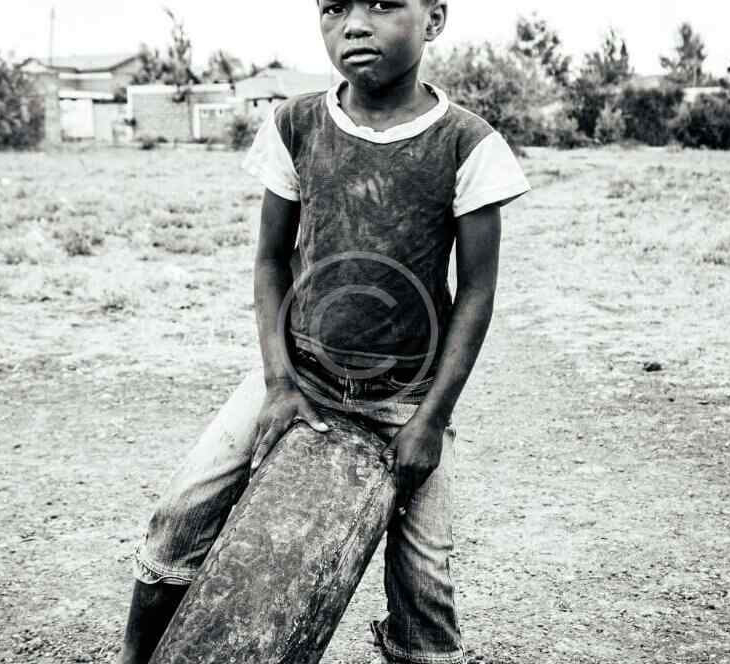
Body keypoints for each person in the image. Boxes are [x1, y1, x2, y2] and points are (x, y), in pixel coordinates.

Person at [119, 1, 530, 662]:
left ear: (434, 19)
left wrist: (430, 421)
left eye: (384, 4)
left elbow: (477, 292)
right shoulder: (297, 124)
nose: (355, 24)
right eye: (335, 7)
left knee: (426, 589)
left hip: (406, 399)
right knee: (179, 518)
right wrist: (279, 382)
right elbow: (269, 261)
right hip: (300, 372)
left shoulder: (468, 143)